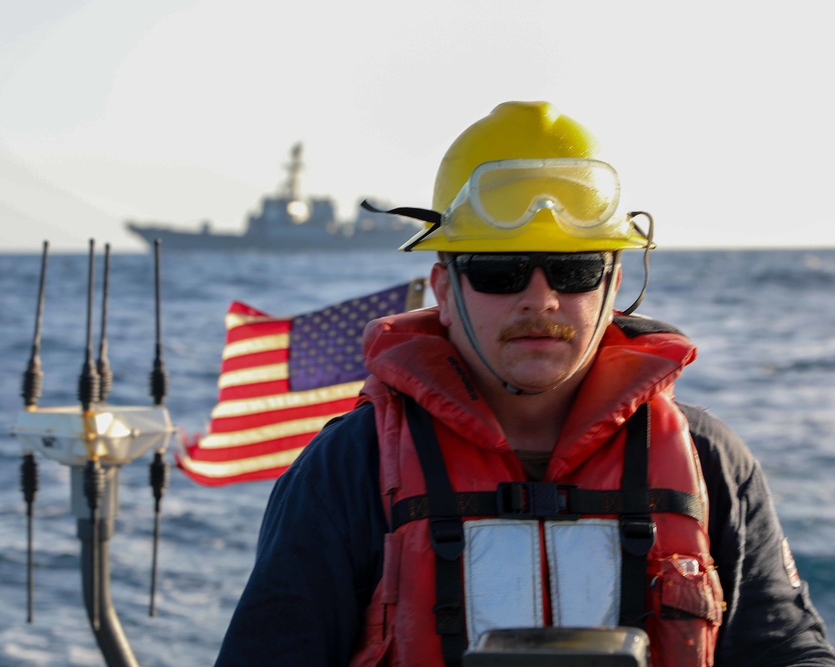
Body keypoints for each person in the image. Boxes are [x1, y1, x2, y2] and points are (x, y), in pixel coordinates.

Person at [215, 101, 835, 666]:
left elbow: (786, 650)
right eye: (498, 270)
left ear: (612, 286)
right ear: (443, 292)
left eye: (575, 269)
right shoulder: (351, 465)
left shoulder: (709, 460)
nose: (541, 300)